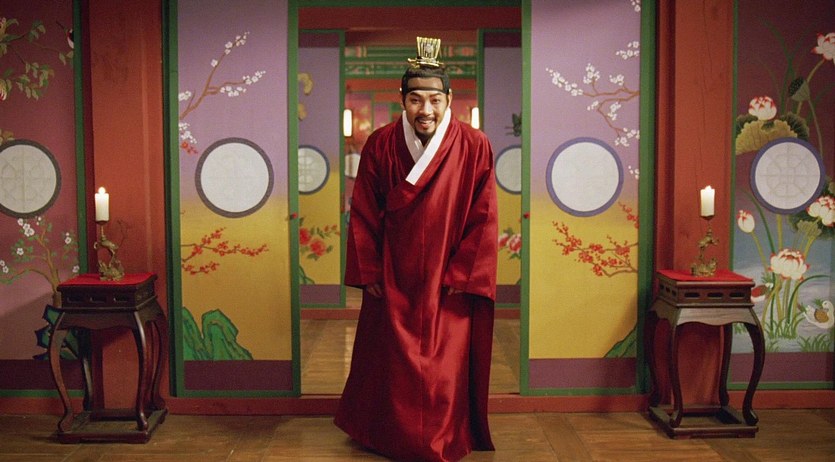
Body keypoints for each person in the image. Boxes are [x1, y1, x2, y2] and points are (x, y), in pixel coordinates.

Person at [334, 37, 498, 462]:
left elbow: (483, 216)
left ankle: (442, 437)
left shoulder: (474, 145)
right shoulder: (381, 144)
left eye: (435, 100)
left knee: (444, 366)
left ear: (449, 101)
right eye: (415, 99)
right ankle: (388, 435)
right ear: (402, 100)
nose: (426, 110)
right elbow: (363, 212)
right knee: (391, 363)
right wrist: (369, 271)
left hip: (448, 275)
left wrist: (464, 274)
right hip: (393, 272)